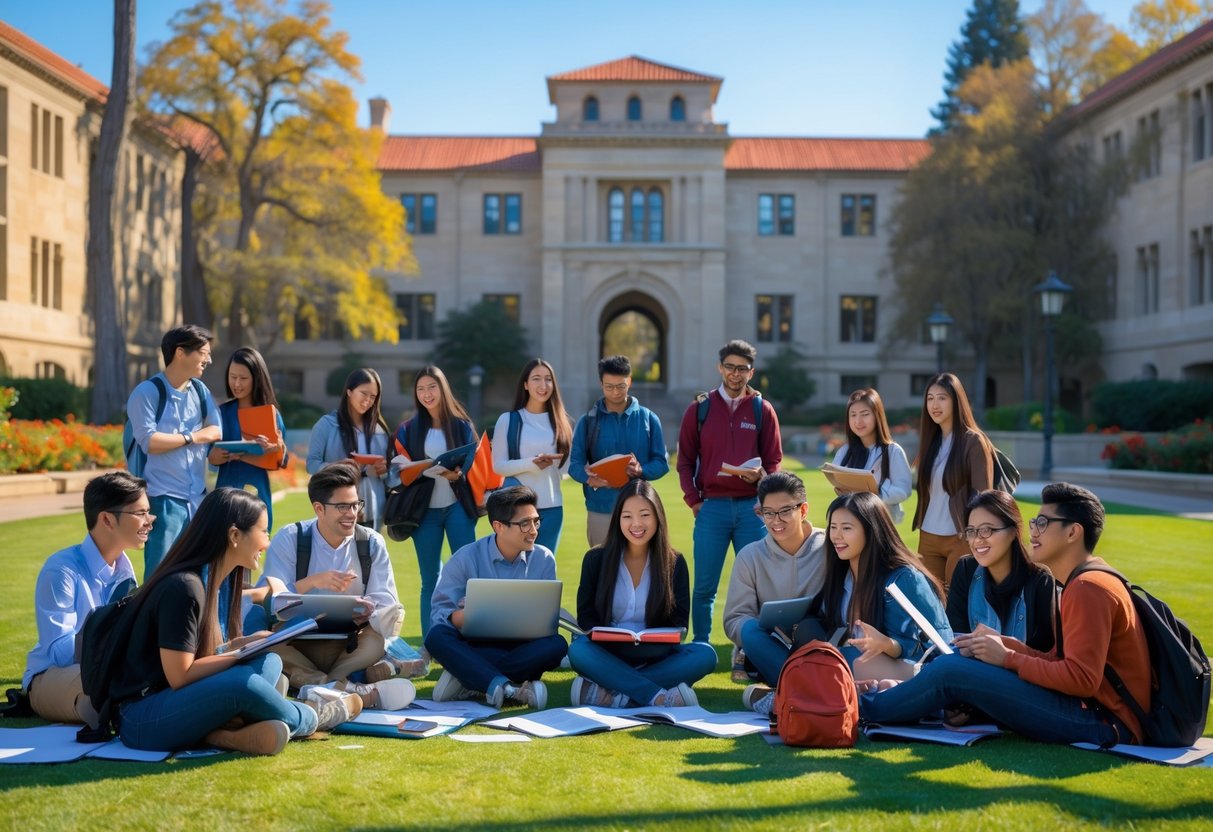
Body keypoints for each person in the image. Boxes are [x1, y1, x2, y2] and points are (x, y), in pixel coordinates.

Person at [859, 483, 1149, 747]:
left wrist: (1008, 658)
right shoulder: (1084, 580)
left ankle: (858, 708)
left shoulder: (1088, 587)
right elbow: (1062, 661)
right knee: (956, 661)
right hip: (1090, 710)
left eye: (1044, 523)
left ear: (1073, 532)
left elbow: (1082, 680)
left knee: (950, 671)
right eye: (1036, 522)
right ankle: (877, 698)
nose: (1034, 530)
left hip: (1104, 721)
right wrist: (1008, 646)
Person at [112, 488, 361, 756]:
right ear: (234, 535)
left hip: (182, 701)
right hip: (143, 718)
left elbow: (206, 654)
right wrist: (237, 654)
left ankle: (221, 734)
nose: (267, 542)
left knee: (270, 661)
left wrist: (242, 644)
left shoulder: (218, 582)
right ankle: (313, 715)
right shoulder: (183, 587)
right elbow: (179, 674)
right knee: (242, 684)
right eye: (264, 531)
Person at [743, 491, 952, 717]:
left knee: (846, 658)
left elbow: (932, 648)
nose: (836, 536)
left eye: (847, 528)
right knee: (752, 631)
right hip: (852, 666)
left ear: (870, 530)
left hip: (907, 669)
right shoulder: (841, 573)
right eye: (833, 527)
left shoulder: (904, 578)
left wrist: (887, 644)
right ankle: (805, 693)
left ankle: (794, 697)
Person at [567, 480, 717, 708]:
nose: (636, 523)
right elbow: (586, 617)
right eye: (627, 516)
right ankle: (655, 695)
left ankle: (613, 694)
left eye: (645, 515)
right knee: (578, 650)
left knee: (705, 655)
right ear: (618, 519)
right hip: (609, 652)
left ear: (658, 517)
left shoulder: (674, 563)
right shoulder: (595, 559)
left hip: (656, 654)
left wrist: (653, 638)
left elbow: (679, 622)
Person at [261, 463, 402, 694]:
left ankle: (327, 684)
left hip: (349, 643)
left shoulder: (371, 542)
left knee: (375, 641)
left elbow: (387, 600)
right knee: (265, 643)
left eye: (356, 504)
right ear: (319, 508)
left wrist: (367, 611)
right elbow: (272, 601)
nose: (352, 513)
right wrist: (314, 581)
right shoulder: (290, 538)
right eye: (342, 506)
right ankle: (343, 686)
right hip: (299, 641)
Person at [676, 339, 782, 643]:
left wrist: (763, 481)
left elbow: (774, 461)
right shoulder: (700, 409)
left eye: (743, 369)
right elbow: (684, 461)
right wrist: (694, 500)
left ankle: (752, 647)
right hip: (712, 509)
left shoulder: (763, 410)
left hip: (752, 510)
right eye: (730, 367)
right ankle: (701, 645)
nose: (736, 374)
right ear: (720, 368)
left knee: (759, 585)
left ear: (752, 372)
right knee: (705, 586)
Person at [424, 486, 567, 709]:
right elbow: (441, 614)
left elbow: (546, 618)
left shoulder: (544, 559)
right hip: (475, 643)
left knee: (557, 644)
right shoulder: (465, 558)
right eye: (524, 524)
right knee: (436, 637)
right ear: (499, 526)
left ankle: (469, 677)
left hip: (522, 646)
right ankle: (507, 685)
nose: (533, 530)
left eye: (536, 521)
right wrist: (467, 616)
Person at [22, 472, 148, 724]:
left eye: (148, 513)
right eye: (140, 513)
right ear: (107, 520)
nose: (149, 522)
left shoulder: (124, 569)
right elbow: (58, 651)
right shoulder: (61, 569)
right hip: (49, 676)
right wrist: (109, 642)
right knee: (105, 689)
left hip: (102, 670)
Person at [390, 366, 480, 638]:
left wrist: (458, 474)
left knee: (469, 578)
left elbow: (477, 466)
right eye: (421, 389)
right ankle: (432, 642)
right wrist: (417, 467)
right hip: (424, 511)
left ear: (443, 389)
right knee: (430, 579)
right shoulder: (408, 429)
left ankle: (469, 637)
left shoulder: (462, 427)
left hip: (458, 508)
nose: (427, 394)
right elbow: (397, 470)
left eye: (432, 387)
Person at [126, 324, 221, 578]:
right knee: (160, 577)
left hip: (197, 501)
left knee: (202, 577)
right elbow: (150, 442)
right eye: (203, 353)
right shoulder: (147, 392)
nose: (208, 360)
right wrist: (192, 437)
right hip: (162, 500)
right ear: (181, 353)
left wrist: (184, 438)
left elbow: (215, 431)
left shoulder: (201, 392)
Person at [723, 471, 827, 696]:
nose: (775, 521)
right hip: (771, 645)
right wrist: (764, 629)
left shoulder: (830, 547)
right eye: (768, 513)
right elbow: (734, 619)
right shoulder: (749, 556)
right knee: (750, 629)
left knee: (810, 627)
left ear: (803, 510)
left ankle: (790, 693)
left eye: (785, 511)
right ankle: (811, 691)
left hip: (817, 640)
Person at [568, 355, 669, 548]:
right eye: (609, 387)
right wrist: (589, 478)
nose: (615, 392)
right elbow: (574, 465)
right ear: (601, 384)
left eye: (621, 386)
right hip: (601, 506)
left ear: (629, 381)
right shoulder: (587, 421)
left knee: (640, 568)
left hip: (639, 507)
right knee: (602, 567)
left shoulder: (649, 418)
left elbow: (661, 464)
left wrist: (641, 471)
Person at [911, 372, 994, 587]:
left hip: (959, 537)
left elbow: (983, 495)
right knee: (930, 602)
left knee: (956, 602)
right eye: (930, 398)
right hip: (928, 535)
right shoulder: (931, 442)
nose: (935, 405)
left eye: (942, 398)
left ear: (956, 401)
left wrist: (973, 533)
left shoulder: (973, 441)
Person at [947, 490, 1056, 652]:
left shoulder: (1039, 580)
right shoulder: (966, 569)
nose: (977, 539)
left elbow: (1044, 652)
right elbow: (956, 636)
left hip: (1017, 674)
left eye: (987, 530)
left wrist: (1003, 648)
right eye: (971, 531)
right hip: (970, 668)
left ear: (1013, 531)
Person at [491, 359, 572, 555]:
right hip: (517, 512)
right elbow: (498, 466)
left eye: (548, 379)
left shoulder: (563, 422)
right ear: (526, 385)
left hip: (552, 507)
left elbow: (565, 469)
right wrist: (532, 464)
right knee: (517, 570)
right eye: (536, 379)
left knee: (544, 571)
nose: (543, 385)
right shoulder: (508, 420)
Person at [208, 347, 287, 530]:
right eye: (232, 377)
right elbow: (210, 458)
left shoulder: (271, 414)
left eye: (243, 378)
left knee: (252, 549)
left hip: (257, 492)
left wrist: (277, 447)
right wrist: (217, 456)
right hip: (226, 492)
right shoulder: (220, 414)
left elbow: (281, 461)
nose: (237, 383)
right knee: (224, 548)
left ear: (256, 379)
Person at [307, 368, 391, 531]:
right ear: (349, 392)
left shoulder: (380, 430)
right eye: (364, 393)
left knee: (369, 555)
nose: (368, 400)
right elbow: (312, 464)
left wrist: (385, 469)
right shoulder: (326, 425)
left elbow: (392, 473)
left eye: (373, 396)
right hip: (338, 507)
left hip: (374, 508)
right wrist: (336, 467)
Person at [831, 388, 912, 523]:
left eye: (865, 414)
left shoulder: (892, 451)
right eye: (853, 415)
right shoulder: (845, 451)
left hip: (879, 524)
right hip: (850, 521)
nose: (858, 421)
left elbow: (904, 489)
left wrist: (876, 494)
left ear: (877, 415)